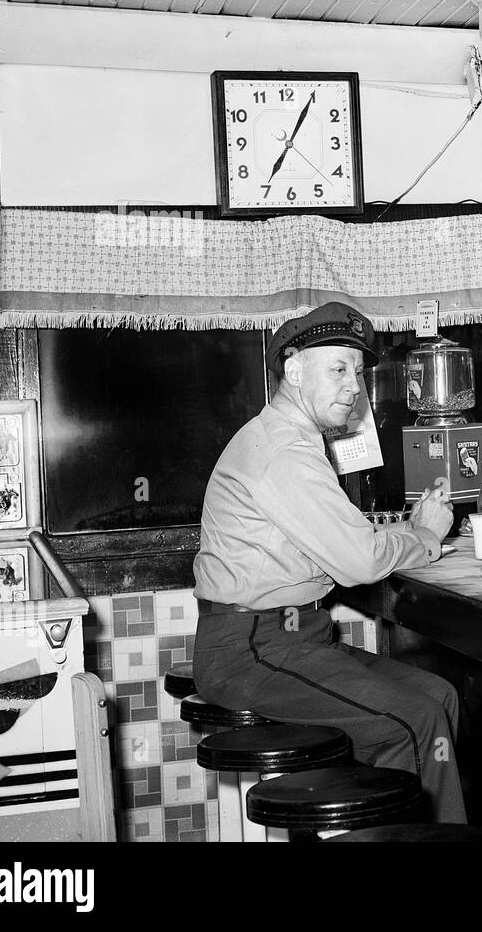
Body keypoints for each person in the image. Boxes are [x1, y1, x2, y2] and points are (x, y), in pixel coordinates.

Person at [192, 301, 465, 822]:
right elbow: (358, 562)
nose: (354, 388)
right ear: (293, 372)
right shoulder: (283, 450)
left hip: (293, 638)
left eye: (359, 374)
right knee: (414, 719)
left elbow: (341, 540)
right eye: (338, 369)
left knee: (438, 694)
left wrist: (405, 532)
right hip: (250, 648)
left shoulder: (295, 441)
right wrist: (426, 535)